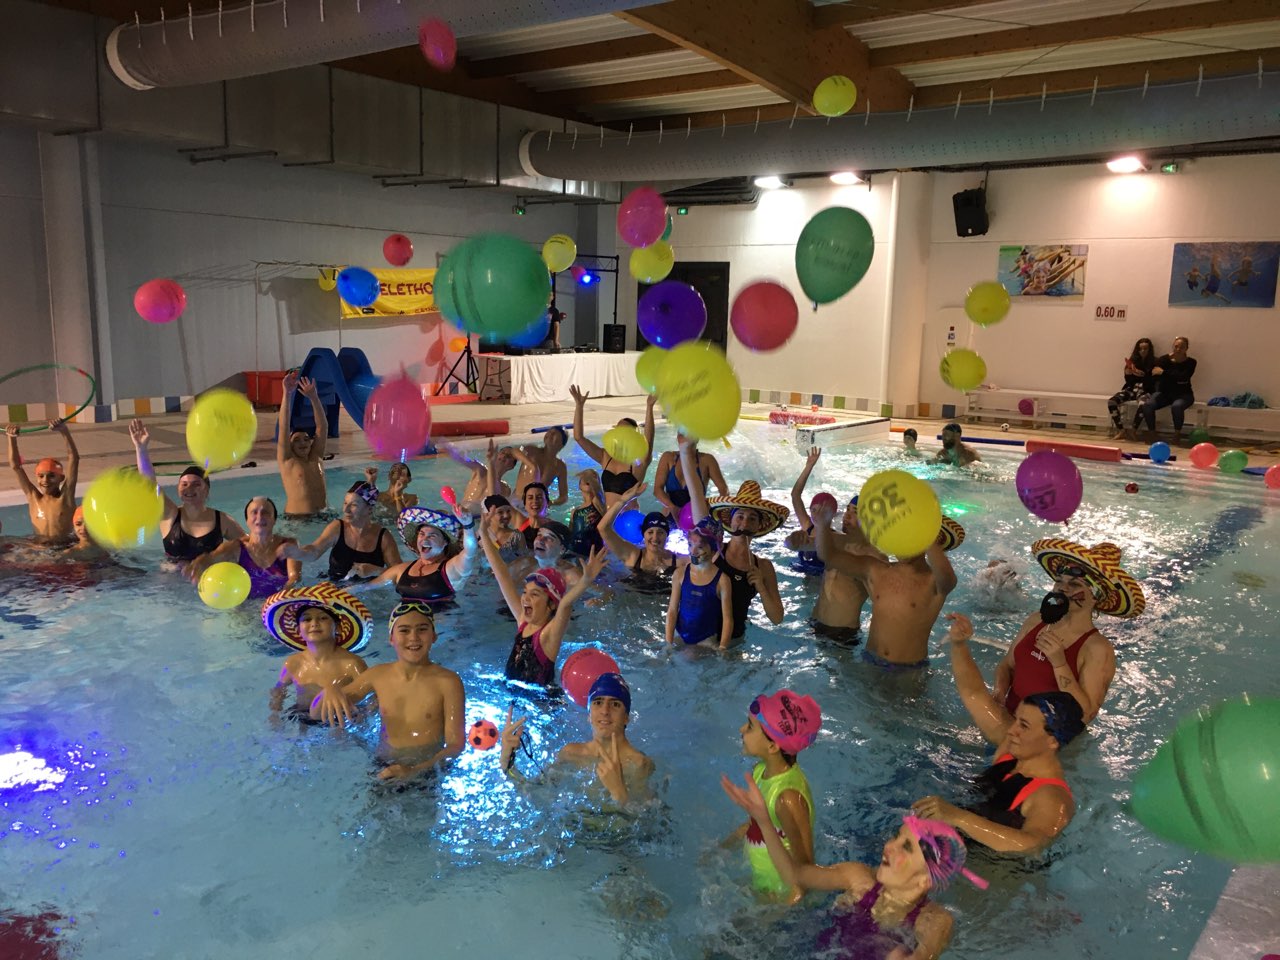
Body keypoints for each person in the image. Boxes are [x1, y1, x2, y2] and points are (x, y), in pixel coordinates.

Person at [721, 779, 971, 959]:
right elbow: (794, 875)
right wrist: (764, 822)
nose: (889, 846)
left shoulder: (934, 921)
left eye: (905, 847)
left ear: (925, 880)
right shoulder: (858, 877)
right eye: (896, 836)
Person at [914, 613, 1083, 854]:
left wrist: (958, 817)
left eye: (1024, 725)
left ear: (1052, 740)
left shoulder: (1053, 798)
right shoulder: (1011, 752)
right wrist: (959, 645)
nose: (1011, 730)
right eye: (1017, 720)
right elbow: (974, 694)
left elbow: (1032, 844)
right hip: (957, 848)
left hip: (991, 871)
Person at [992, 539, 1144, 723]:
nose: (1062, 588)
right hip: (1009, 723)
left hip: (1047, 737)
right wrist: (999, 693)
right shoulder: (1037, 620)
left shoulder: (1097, 649)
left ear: (1097, 596)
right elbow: (1007, 666)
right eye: (1059, 581)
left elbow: (1086, 714)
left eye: (1075, 584)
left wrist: (1060, 664)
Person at [313, 601, 465, 782]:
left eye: (422, 629)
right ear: (391, 639)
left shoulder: (448, 682)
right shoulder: (378, 675)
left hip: (427, 770)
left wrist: (415, 771)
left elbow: (455, 745)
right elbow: (316, 713)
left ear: (434, 636)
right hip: (382, 766)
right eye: (404, 630)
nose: (413, 637)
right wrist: (329, 691)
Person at [811, 498, 958, 668]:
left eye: (910, 538)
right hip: (870, 663)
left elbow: (948, 577)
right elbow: (828, 556)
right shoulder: (876, 570)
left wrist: (926, 530)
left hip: (909, 672)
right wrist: (822, 525)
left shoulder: (933, 581)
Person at [480, 519, 607, 688]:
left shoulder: (549, 635)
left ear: (552, 604)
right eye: (525, 592)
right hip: (511, 691)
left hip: (541, 698)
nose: (525, 598)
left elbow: (565, 605)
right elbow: (501, 573)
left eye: (534, 594)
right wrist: (483, 533)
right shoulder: (522, 621)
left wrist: (586, 580)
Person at [722, 690, 821, 902]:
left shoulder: (787, 798)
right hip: (760, 882)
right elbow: (756, 824)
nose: (741, 729)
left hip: (778, 894)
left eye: (750, 726)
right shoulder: (760, 771)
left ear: (773, 746)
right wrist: (721, 849)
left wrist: (780, 914)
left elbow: (806, 872)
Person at [685, 441, 786, 643]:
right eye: (740, 516)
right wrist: (686, 452)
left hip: (733, 643)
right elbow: (696, 496)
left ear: (759, 526)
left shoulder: (763, 567)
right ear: (730, 521)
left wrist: (761, 587)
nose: (745, 523)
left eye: (752, 519)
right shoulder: (713, 551)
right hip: (700, 639)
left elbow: (777, 618)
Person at [500, 673, 654, 806]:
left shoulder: (639, 764)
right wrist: (507, 760)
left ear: (626, 717)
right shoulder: (570, 753)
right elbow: (534, 793)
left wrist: (619, 792)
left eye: (615, 704)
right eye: (598, 702)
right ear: (589, 714)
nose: (605, 711)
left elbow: (649, 821)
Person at [786, 447, 881, 645]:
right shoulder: (836, 540)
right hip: (815, 623)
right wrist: (793, 540)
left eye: (855, 512)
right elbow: (796, 545)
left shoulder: (875, 557)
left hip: (843, 632)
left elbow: (882, 604)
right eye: (847, 510)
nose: (847, 515)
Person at [129, 419, 244, 562]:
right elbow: (149, 486)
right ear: (178, 489)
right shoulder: (170, 515)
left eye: (196, 484)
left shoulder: (223, 520)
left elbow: (249, 546)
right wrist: (141, 449)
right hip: (170, 576)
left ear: (206, 490)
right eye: (184, 484)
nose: (189, 488)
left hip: (209, 575)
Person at [267, 593, 369, 722]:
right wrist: (275, 712)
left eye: (323, 618)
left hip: (340, 720)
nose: (314, 623)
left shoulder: (352, 664)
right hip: (302, 716)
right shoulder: (293, 663)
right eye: (307, 619)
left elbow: (372, 696)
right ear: (298, 630)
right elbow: (279, 690)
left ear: (338, 627)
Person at [280, 481, 401, 581]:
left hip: (369, 593)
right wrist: (298, 552)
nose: (346, 509)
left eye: (354, 505)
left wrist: (376, 571)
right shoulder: (337, 527)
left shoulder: (383, 537)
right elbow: (315, 550)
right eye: (345, 503)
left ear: (369, 509)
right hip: (335, 590)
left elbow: (400, 574)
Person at [188, 496, 303, 599]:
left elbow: (295, 578)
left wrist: (278, 600)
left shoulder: (288, 545)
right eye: (254, 513)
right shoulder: (235, 547)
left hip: (278, 604)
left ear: (274, 520)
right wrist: (199, 564)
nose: (260, 517)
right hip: (245, 607)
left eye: (265, 512)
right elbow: (210, 558)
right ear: (247, 521)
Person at [367, 506, 477, 606]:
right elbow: (365, 588)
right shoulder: (401, 570)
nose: (424, 540)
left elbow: (470, 551)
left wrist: (468, 525)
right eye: (422, 534)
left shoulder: (451, 569)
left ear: (445, 542)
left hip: (441, 621)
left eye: (432, 536)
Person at [569, 385, 657, 507]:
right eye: (618, 430)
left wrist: (649, 406)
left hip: (628, 516)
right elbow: (579, 438)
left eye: (625, 431)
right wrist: (579, 406)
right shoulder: (606, 457)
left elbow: (648, 442)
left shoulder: (637, 461)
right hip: (607, 515)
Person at [6, 419, 79, 542]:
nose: (45, 480)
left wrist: (64, 431)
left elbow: (74, 458)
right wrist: (11, 438)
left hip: (65, 547)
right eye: (41, 476)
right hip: (39, 547)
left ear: (61, 478)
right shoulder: (33, 497)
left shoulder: (65, 498)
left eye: (51, 476)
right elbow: (16, 466)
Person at [665, 518, 733, 649]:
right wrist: (668, 643)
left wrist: (723, 647)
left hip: (706, 640)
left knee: (687, 659)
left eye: (700, 547)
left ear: (714, 550)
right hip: (679, 634)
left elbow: (728, 619)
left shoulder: (722, 580)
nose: (693, 551)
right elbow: (672, 611)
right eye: (690, 545)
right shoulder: (680, 574)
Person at [597, 482, 677, 583]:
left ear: (667, 535)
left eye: (660, 532)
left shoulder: (677, 561)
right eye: (650, 532)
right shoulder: (633, 556)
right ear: (643, 534)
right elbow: (603, 528)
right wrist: (623, 500)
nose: (655, 537)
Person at [277, 370, 329, 517]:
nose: (303, 443)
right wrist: (287, 394)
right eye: (296, 440)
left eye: (306, 439)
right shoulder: (288, 460)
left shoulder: (316, 457)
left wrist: (313, 397)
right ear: (290, 445)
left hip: (323, 516)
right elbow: (284, 427)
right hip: (298, 520)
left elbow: (322, 427)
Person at [1136, 336, 1197, 443]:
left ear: (1186, 348)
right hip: (1164, 393)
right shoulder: (1164, 360)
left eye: (1181, 347)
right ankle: (1152, 434)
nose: (1178, 349)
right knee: (1147, 405)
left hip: (1183, 394)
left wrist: (1164, 373)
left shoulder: (1191, 362)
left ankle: (1177, 435)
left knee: (1177, 406)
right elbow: (1154, 373)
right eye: (1176, 346)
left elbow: (1183, 377)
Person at [651, 433, 728, 517]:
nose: (684, 437)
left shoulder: (707, 460)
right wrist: (672, 507)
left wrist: (712, 508)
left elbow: (723, 490)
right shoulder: (668, 457)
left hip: (698, 515)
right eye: (681, 434)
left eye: (689, 434)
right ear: (677, 438)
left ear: (697, 439)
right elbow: (657, 490)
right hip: (671, 514)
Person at [445, 439, 515, 512]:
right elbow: (461, 459)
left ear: (512, 466)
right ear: (496, 455)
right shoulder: (480, 469)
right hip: (462, 511)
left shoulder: (506, 489)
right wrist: (448, 448)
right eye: (502, 452)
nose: (504, 456)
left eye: (509, 456)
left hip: (480, 517)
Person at [1108, 338, 1156, 440]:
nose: (1143, 351)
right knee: (1112, 402)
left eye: (1145, 349)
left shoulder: (1155, 362)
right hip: (1131, 389)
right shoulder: (1133, 361)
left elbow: (1154, 381)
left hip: (1145, 389)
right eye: (1140, 349)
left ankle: (1133, 430)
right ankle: (1121, 430)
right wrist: (1128, 373)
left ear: (1149, 349)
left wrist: (1144, 375)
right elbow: (1129, 381)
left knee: (1144, 404)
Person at [512, 427, 570, 507]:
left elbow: (564, 497)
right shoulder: (532, 450)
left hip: (536, 506)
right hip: (517, 501)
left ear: (561, 444)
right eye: (549, 432)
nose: (549, 434)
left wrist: (552, 502)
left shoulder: (560, 466)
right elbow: (514, 451)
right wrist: (532, 465)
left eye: (554, 434)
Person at [567, 469, 606, 558]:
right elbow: (570, 533)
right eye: (586, 478)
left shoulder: (597, 503)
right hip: (574, 551)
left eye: (594, 477)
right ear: (579, 486)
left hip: (593, 554)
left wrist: (589, 478)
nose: (589, 479)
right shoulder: (575, 511)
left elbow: (598, 493)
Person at [482, 494, 528, 564]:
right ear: (488, 515)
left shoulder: (517, 536)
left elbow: (525, 562)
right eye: (500, 512)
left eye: (508, 511)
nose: (506, 515)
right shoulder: (481, 536)